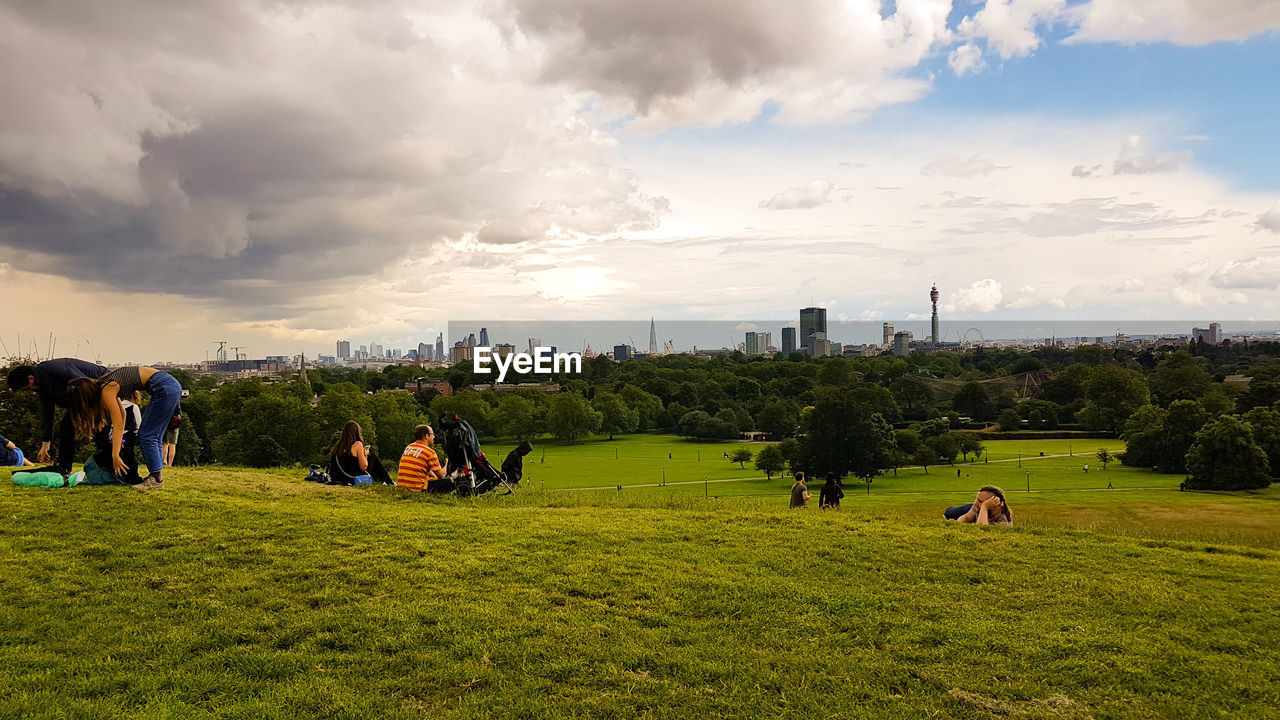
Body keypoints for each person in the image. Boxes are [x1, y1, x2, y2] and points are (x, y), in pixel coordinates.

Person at [65, 366, 182, 489]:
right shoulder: (107, 383)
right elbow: (123, 415)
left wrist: (115, 455)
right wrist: (119, 441)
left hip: (164, 388)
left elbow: (118, 424)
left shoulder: (107, 389)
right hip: (169, 386)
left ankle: (156, 480)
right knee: (154, 436)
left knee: (147, 436)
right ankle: (155, 477)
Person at [7, 358, 109, 474]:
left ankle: (109, 463)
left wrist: (87, 412)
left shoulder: (52, 370)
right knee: (66, 426)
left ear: (30, 379)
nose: (28, 392)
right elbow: (47, 414)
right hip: (85, 396)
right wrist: (45, 445)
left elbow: (85, 383)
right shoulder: (43, 386)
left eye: (26, 389)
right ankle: (64, 467)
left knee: (99, 429)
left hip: (101, 386)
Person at [327, 421, 392, 485]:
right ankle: (388, 481)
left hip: (337, 477)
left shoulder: (339, 446)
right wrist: (365, 454)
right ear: (356, 432)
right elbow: (363, 467)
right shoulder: (358, 444)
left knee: (370, 460)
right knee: (372, 458)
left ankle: (383, 481)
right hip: (351, 478)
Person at [396, 424, 450, 493]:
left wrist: (435, 478)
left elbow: (421, 468)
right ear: (427, 436)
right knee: (451, 482)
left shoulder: (409, 447)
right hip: (418, 489)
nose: (434, 437)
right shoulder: (430, 452)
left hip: (402, 488)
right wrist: (446, 464)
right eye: (432, 434)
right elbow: (442, 475)